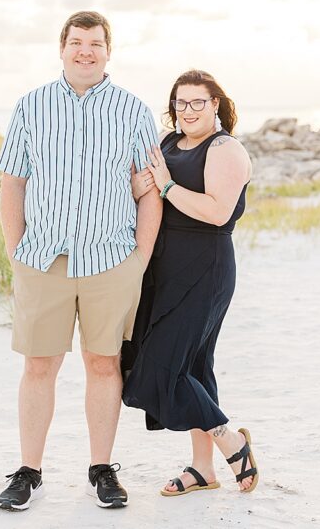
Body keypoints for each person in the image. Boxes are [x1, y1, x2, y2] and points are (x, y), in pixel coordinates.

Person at [0, 11, 162, 511]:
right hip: (42, 259)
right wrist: (15, 251)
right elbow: (13, 183)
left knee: (103, 364)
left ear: (108, 51)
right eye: (76, 42)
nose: (85, 51)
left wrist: (141, 258)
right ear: (61, 48)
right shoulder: (31, 106)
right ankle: (29, 471)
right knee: (39, 365)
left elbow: (149, 188)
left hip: (111, 260)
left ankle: (101, 469)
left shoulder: (133, 110)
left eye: (94, 43)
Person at [121, 69, 259, 496]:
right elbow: (148, 195)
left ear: (215, 104)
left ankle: (231, 442)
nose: (188, 110)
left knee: (163, 367)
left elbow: (218, 211)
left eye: (198, 102)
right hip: (162, 267)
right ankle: (203, 469)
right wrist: (139, 186)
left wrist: (165, 185)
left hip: (206, 267)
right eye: (181, 103)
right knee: (194, 367)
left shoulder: (226, 149)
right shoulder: (168, 143)